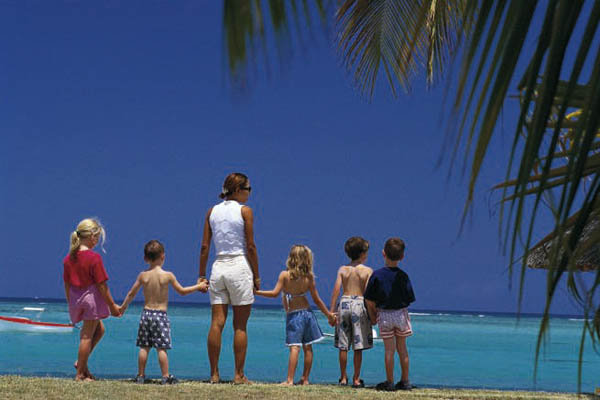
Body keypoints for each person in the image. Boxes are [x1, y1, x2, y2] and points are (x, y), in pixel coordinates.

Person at [198, 172, 260, 384]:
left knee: (216, 322)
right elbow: (250, 246)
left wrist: (201, 275)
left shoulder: (211, 212)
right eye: (248, 189)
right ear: (237, 190)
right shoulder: (245, 211)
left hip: (218, 267)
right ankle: (238, 375)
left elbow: (205, 246)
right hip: (239, 266)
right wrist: (257, 276)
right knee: (240, 326)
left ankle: (214, 374)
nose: (249, 193)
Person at [119, 240, 206, 384]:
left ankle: (140, 376)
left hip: (146, 314)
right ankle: (165, 376)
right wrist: (199, 286)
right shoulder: (168, 275)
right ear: (163, 256)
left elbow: (131, 294)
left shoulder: (143, 275)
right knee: (162, 348)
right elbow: (182, 291)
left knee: (144, 347)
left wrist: (122, 308)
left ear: (146, 258)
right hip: (160, 315)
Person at [255, 245, 336, 385]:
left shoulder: (284, 275)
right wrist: (328, 314)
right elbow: (317, 300)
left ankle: (290, 380)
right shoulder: (309, 276)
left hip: (295, 316)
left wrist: (256, 292)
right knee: (308, 346)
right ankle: (305, 379)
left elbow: (274, 294)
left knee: (294, 346)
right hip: (308, 314)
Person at [63, 218, 120, 381]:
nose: (97, 241)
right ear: (92, 236)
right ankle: (80, 373)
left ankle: (82, 364)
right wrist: (112, 306)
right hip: (90, 300)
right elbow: (102, 285)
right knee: (86, 336)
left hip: (76, 299)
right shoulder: (94, 258)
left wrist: (70, 304)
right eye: (97, 237)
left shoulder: (68, 259)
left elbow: (67, 284)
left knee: (99, 330)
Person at [364, 238, 415, 391]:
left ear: (383, 254)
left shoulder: (377, 275)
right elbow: (409, 299)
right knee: (403, 349)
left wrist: (373, 315)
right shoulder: (403, 276)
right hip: (400, 314)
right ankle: (405, 381)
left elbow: (369, 299)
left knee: (389, 351)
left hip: (384, 315)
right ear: (402, 257)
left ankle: (390, 381)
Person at [329, 236, 373, 388]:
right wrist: (373, 314)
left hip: (345, 302)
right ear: (362, 254)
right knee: (358, 345)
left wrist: (331, 312)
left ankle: (342, 377)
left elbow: (336, 290)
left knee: (343, 344)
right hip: (359, 304)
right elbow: (368, 294)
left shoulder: (343, 269)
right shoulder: (367, 271)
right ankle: (356, 378)